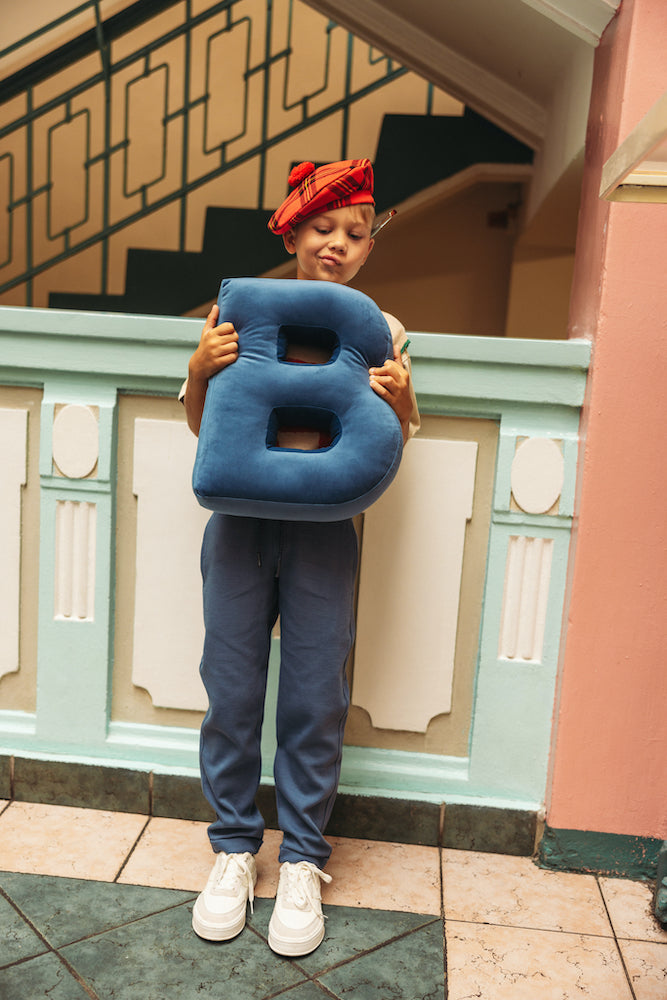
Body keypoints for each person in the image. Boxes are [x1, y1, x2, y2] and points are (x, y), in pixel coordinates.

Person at [182, 158, 420, 957]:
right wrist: (196, 372)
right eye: (323, 228)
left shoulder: (379, 330)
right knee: (231, 681)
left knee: (316, 692)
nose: (337, 245)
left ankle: (304, 860)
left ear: (368, 249)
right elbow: (202, 433)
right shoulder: (236, 315)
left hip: (325, 528)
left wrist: (402, 401)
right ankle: (232, 848)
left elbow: (392, 440)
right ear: (292, 229)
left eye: (355, 234)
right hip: (242, 524)